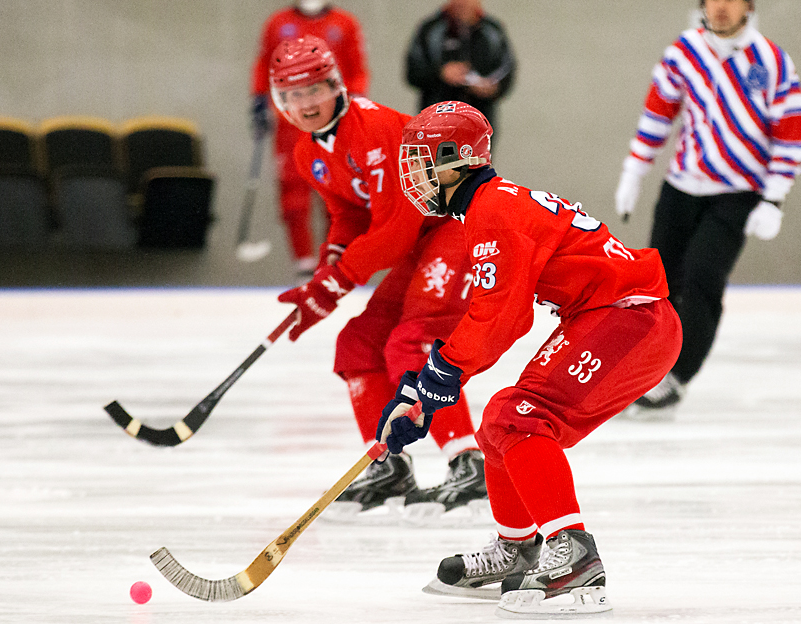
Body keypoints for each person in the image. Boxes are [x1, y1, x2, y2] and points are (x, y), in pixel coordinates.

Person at [374, 101, 683, 617]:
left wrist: (439, 374)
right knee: (503, 417)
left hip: (629, 318)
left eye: (423, 162)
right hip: (615, 317)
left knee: (519, 418)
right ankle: (518, 550)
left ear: (459, 161)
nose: (414, 175)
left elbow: (501, 316)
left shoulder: (492, 211)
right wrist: (426, 387)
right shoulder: (490, 205)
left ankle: (575, 557)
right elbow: (497, 316)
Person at [268, 37, 487, 518]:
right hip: (421, 242)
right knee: (358, 344)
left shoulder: (377, 128)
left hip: (458, 229)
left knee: (412, 343)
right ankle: (389, 464)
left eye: (313, 90)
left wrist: (335, 282)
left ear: (335, 86)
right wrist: (327, 271)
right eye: (292, 95)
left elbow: (396, 227)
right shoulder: (309, 153)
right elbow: (347, 216)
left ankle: (469, 461)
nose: (304, 105)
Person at [613, 0, 801, 419]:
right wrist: (634, 171)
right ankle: (645, 368)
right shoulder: (683, 53)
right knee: (658, 281)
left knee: (703, 277)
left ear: (749, 6)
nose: (721, 6)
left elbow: (791, 134)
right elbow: (657, 116)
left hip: (738, 192)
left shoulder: (772, 61)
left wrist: (775, 197)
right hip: (682, 187)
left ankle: (678, 377)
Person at [250, 1, 369, 275]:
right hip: (291, 122)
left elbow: (357, 70)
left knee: (337, 189)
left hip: (333, 121)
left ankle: (334, 257)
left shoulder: (344, 23)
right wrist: (259, 99)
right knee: (293, 192)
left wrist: (354, 103)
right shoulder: (278, 23)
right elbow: (263, 64)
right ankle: (303, 260)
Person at [405, 0, 515, 133]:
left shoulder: (493, 31)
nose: (463, 3)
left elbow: (507, 71)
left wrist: (492, 88)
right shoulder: (431, 29)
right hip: (435, 122)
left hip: (480, 122)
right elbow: (413, 72)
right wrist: (440, 73)